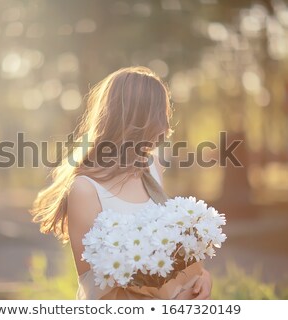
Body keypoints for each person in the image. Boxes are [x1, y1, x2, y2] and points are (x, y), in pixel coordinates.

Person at [31, 66, 212, 299]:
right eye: (160, 115)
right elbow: (94, 283)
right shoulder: (85, 189)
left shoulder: (153, 167)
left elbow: (168, 250)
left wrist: (200, 277)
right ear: (134, 120)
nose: (166, 127)